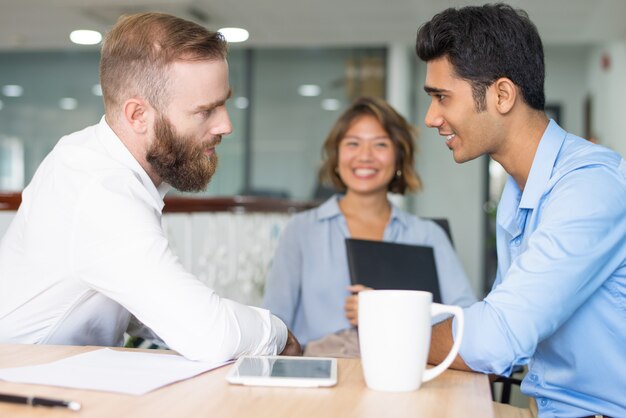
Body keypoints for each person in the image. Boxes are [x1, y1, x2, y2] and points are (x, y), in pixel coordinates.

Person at [0, 12, 300, 362]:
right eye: (205, 111)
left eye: (224, 103)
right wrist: (276, 332)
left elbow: (142, 305)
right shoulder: (101, 191)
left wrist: (198, 319)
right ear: (138, 115)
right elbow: (211, 336)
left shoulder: (86, 153)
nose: (226, 125)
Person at [416, 4, 625, 418]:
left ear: (503, 95)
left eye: (442, 97)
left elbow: (497, 340)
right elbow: (503, 333)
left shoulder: (590, 187)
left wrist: (397, 331)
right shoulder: (519, 192)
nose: (430, 117)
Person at [263, 97, 476, 355]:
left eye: (380, 145)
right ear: (337, 155)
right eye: (353, 143)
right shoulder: (301, 231)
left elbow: (465, 320)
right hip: (321, 379)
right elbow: (273, 326)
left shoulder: (427, 236)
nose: (365, 156)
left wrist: (389, 313)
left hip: (406, 375)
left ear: (399, 157)